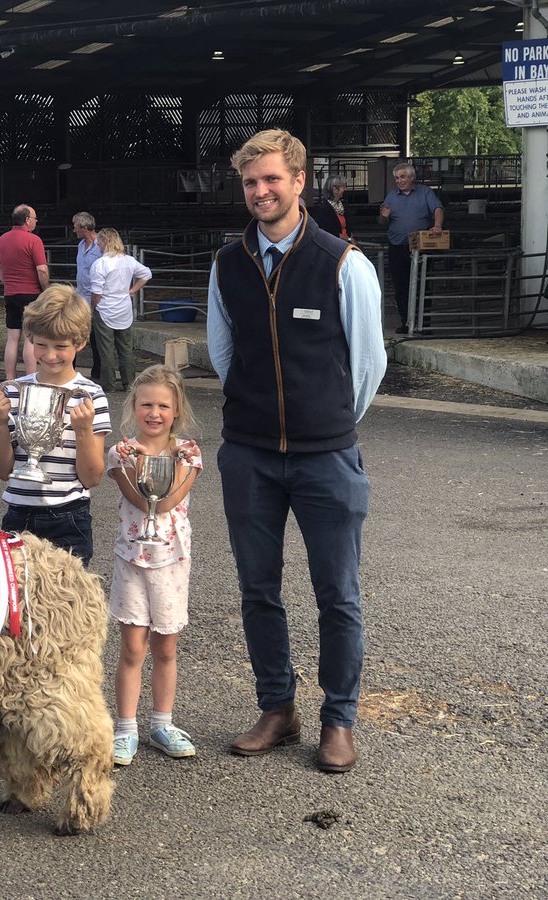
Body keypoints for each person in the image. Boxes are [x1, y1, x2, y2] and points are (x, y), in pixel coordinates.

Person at [207, 129, 386, 774]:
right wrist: (259, 415)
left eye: (271, 180)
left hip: (326, 457)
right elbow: (224, 356)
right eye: (251, 182)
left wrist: (325, 422)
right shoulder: (227, 264)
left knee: (337, 592)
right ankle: (277, 708)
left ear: (298, 181)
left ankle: (338, 718)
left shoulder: (343, 263)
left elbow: (369, 364)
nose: (260, 192)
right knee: (258, 588)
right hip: (250, 454)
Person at [107, 365, 202, 765]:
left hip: (171, 561)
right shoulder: (120, 453)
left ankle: (162, 723)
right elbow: (139, 498)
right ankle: (125, 728)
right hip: (132, 557)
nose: (154, 412)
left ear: (176, 410)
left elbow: (165, 503)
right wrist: (135, 461)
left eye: (164, 405)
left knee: (166, 648)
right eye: (146, 403)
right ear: (134, 405)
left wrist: (176, 462)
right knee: (132, 648)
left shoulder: (189, 454)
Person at [0, 285, 110, 566]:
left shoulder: (91, 397)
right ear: (29, 338)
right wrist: (0, 423)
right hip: (18, 512)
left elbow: (91, 478)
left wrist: (82, 431)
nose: (50, 355)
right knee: (17, 603)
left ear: (80, 343)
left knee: (66, 606)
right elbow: (1, 470)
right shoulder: (13, 391)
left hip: (69, 516)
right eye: (41, 344)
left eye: (61, 346)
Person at [379, 162, 443, 333]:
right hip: (397, 246)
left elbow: (437, 208)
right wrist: (384, 216)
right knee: (401, 286)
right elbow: (382, 222)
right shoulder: (391, 196)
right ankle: (406, 322)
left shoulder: (425, 192)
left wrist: (437, 226)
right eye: (397, 178)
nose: (399, 181)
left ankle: (423, 323)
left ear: (412, 178)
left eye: (402, 177)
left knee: (422, 285)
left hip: (419, 246)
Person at [89, 227, 151, 394]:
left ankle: (108, 385)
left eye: (99, 241)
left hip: (104, 309)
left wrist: (92, 307)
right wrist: (133, 290)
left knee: (106, 350)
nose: (98, 245)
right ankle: (129, 383)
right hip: (124, 309)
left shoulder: (100, 264)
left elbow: (96, 292)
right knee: (125, 348)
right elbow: (146, 273)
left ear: (105, 242)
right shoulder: (129, 260)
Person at [0, 204, 49, 380]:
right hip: (31, 292)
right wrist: (45, 289)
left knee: (12, 337)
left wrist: (7, 283)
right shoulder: (34, 240)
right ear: (27, 220)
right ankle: (30, 377)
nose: (36, 221)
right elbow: (42, 269)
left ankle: (10, 379)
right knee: (29, 337)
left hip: (11, 292)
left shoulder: (2, 239)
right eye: (34, 218)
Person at [73, 212, 103, 383]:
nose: (74, 229)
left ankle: (98, 371)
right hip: (81, 296)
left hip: (96, 297)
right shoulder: (80, 245)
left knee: (97, 336)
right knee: (75, 334)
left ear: (84, 227)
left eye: (75, 226)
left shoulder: (101, 246)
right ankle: (70, 369)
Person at [312, 174, 353, 241]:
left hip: (346, 244)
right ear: (335, 190)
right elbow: (326, 231)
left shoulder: (343, 205)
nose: (345, 189)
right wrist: (346, 239)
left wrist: (351, 238)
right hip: (334, 244)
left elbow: (348, 226)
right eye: (343, 187)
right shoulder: (324, 209)